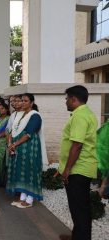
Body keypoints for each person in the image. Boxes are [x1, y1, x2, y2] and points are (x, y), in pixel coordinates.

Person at [58, 85, 98, 240]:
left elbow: (77, 144)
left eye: (67, 98)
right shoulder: (85, 112)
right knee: (80, 207)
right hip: (82, 167)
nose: (65, 102)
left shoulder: (79, 116)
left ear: (73, 99)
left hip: (78, 169)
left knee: (79, 208)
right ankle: (78, 236)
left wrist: (67, 169)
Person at [6, 93, 48, 209]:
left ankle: (29, 200)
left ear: (31, 103)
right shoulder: (20, 115)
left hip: (29, 148)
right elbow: (12, 130)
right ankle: (22, 198)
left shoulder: (35, 115)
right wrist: (11, 144)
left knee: (29, 171)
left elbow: (28, 134)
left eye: (25, 101)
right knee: (21, 171)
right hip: (19, 148)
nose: (22, 103)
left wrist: (14, 144)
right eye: (22, 101)